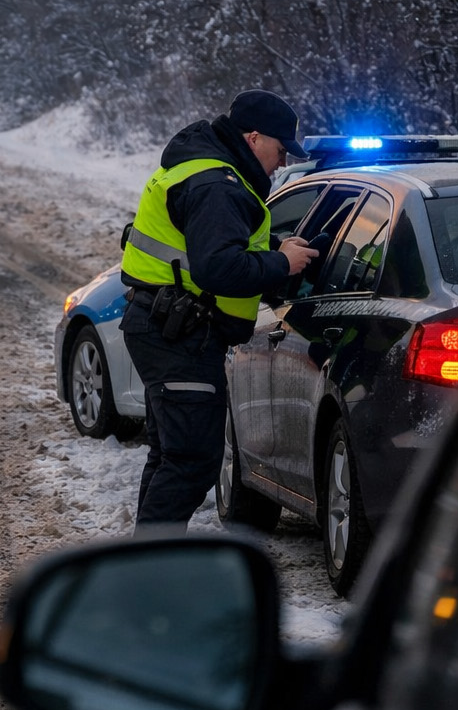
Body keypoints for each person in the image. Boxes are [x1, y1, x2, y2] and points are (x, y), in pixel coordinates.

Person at [119, 89, 319, 530]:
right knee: (191, 463)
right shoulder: (217, 184)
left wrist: (272, 250)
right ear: (252, 137)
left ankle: (146, 561)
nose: (283, 162)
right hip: (180, 335)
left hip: (165, 326)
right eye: (280, 149)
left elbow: (212, 244)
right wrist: (282, 262)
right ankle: (151, 572)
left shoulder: (206, 169)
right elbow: (218, 267)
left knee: (173, 456)